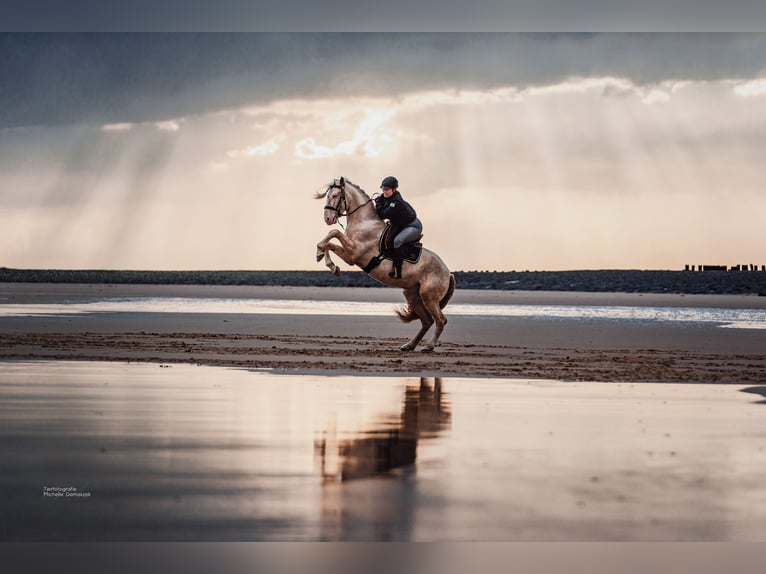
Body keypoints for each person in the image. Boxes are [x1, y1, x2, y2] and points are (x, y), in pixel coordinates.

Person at [374, 176, 423, 279]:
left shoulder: (396, 202)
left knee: (397, 241)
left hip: (413, 226)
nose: (384, 192)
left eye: (387, 189)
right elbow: (379, 206)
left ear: (394, 189)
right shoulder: (386, 197)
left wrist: (378, 205)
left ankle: (397, 270)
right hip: (401, 225)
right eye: (383, 189)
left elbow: (382, 215)